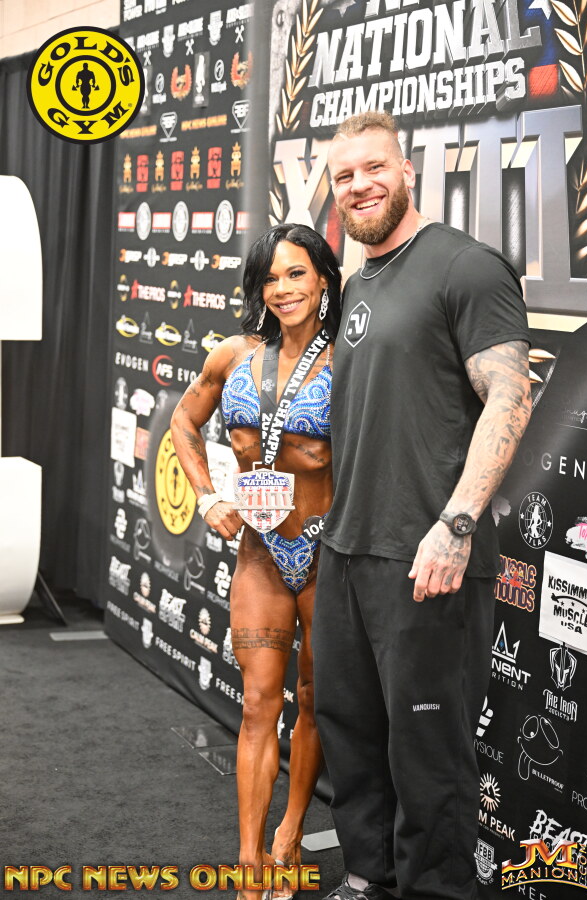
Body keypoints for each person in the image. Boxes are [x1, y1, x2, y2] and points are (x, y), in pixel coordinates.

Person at [313, 111, 532, 900]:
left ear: (408, 172)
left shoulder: (464, 267)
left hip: (428, 556)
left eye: (375, 168)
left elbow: (510, 395)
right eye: (344, 176)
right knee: (352, 738)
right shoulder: (359, 279)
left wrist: (456, 525)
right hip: (348, 551)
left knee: (430, 760)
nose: (359, 186)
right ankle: (367, 880)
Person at [170, 223, 341, 899]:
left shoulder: (348, 361)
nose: (283, 289)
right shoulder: (233, 356)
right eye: (270, 277)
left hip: (327, 553)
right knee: (257, 706)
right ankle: (248, 869)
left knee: (314, 701)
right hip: (262, 554)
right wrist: (207, 495)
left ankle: (290, 834)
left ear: (323, 279)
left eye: (296, 274)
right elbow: (183, 421)